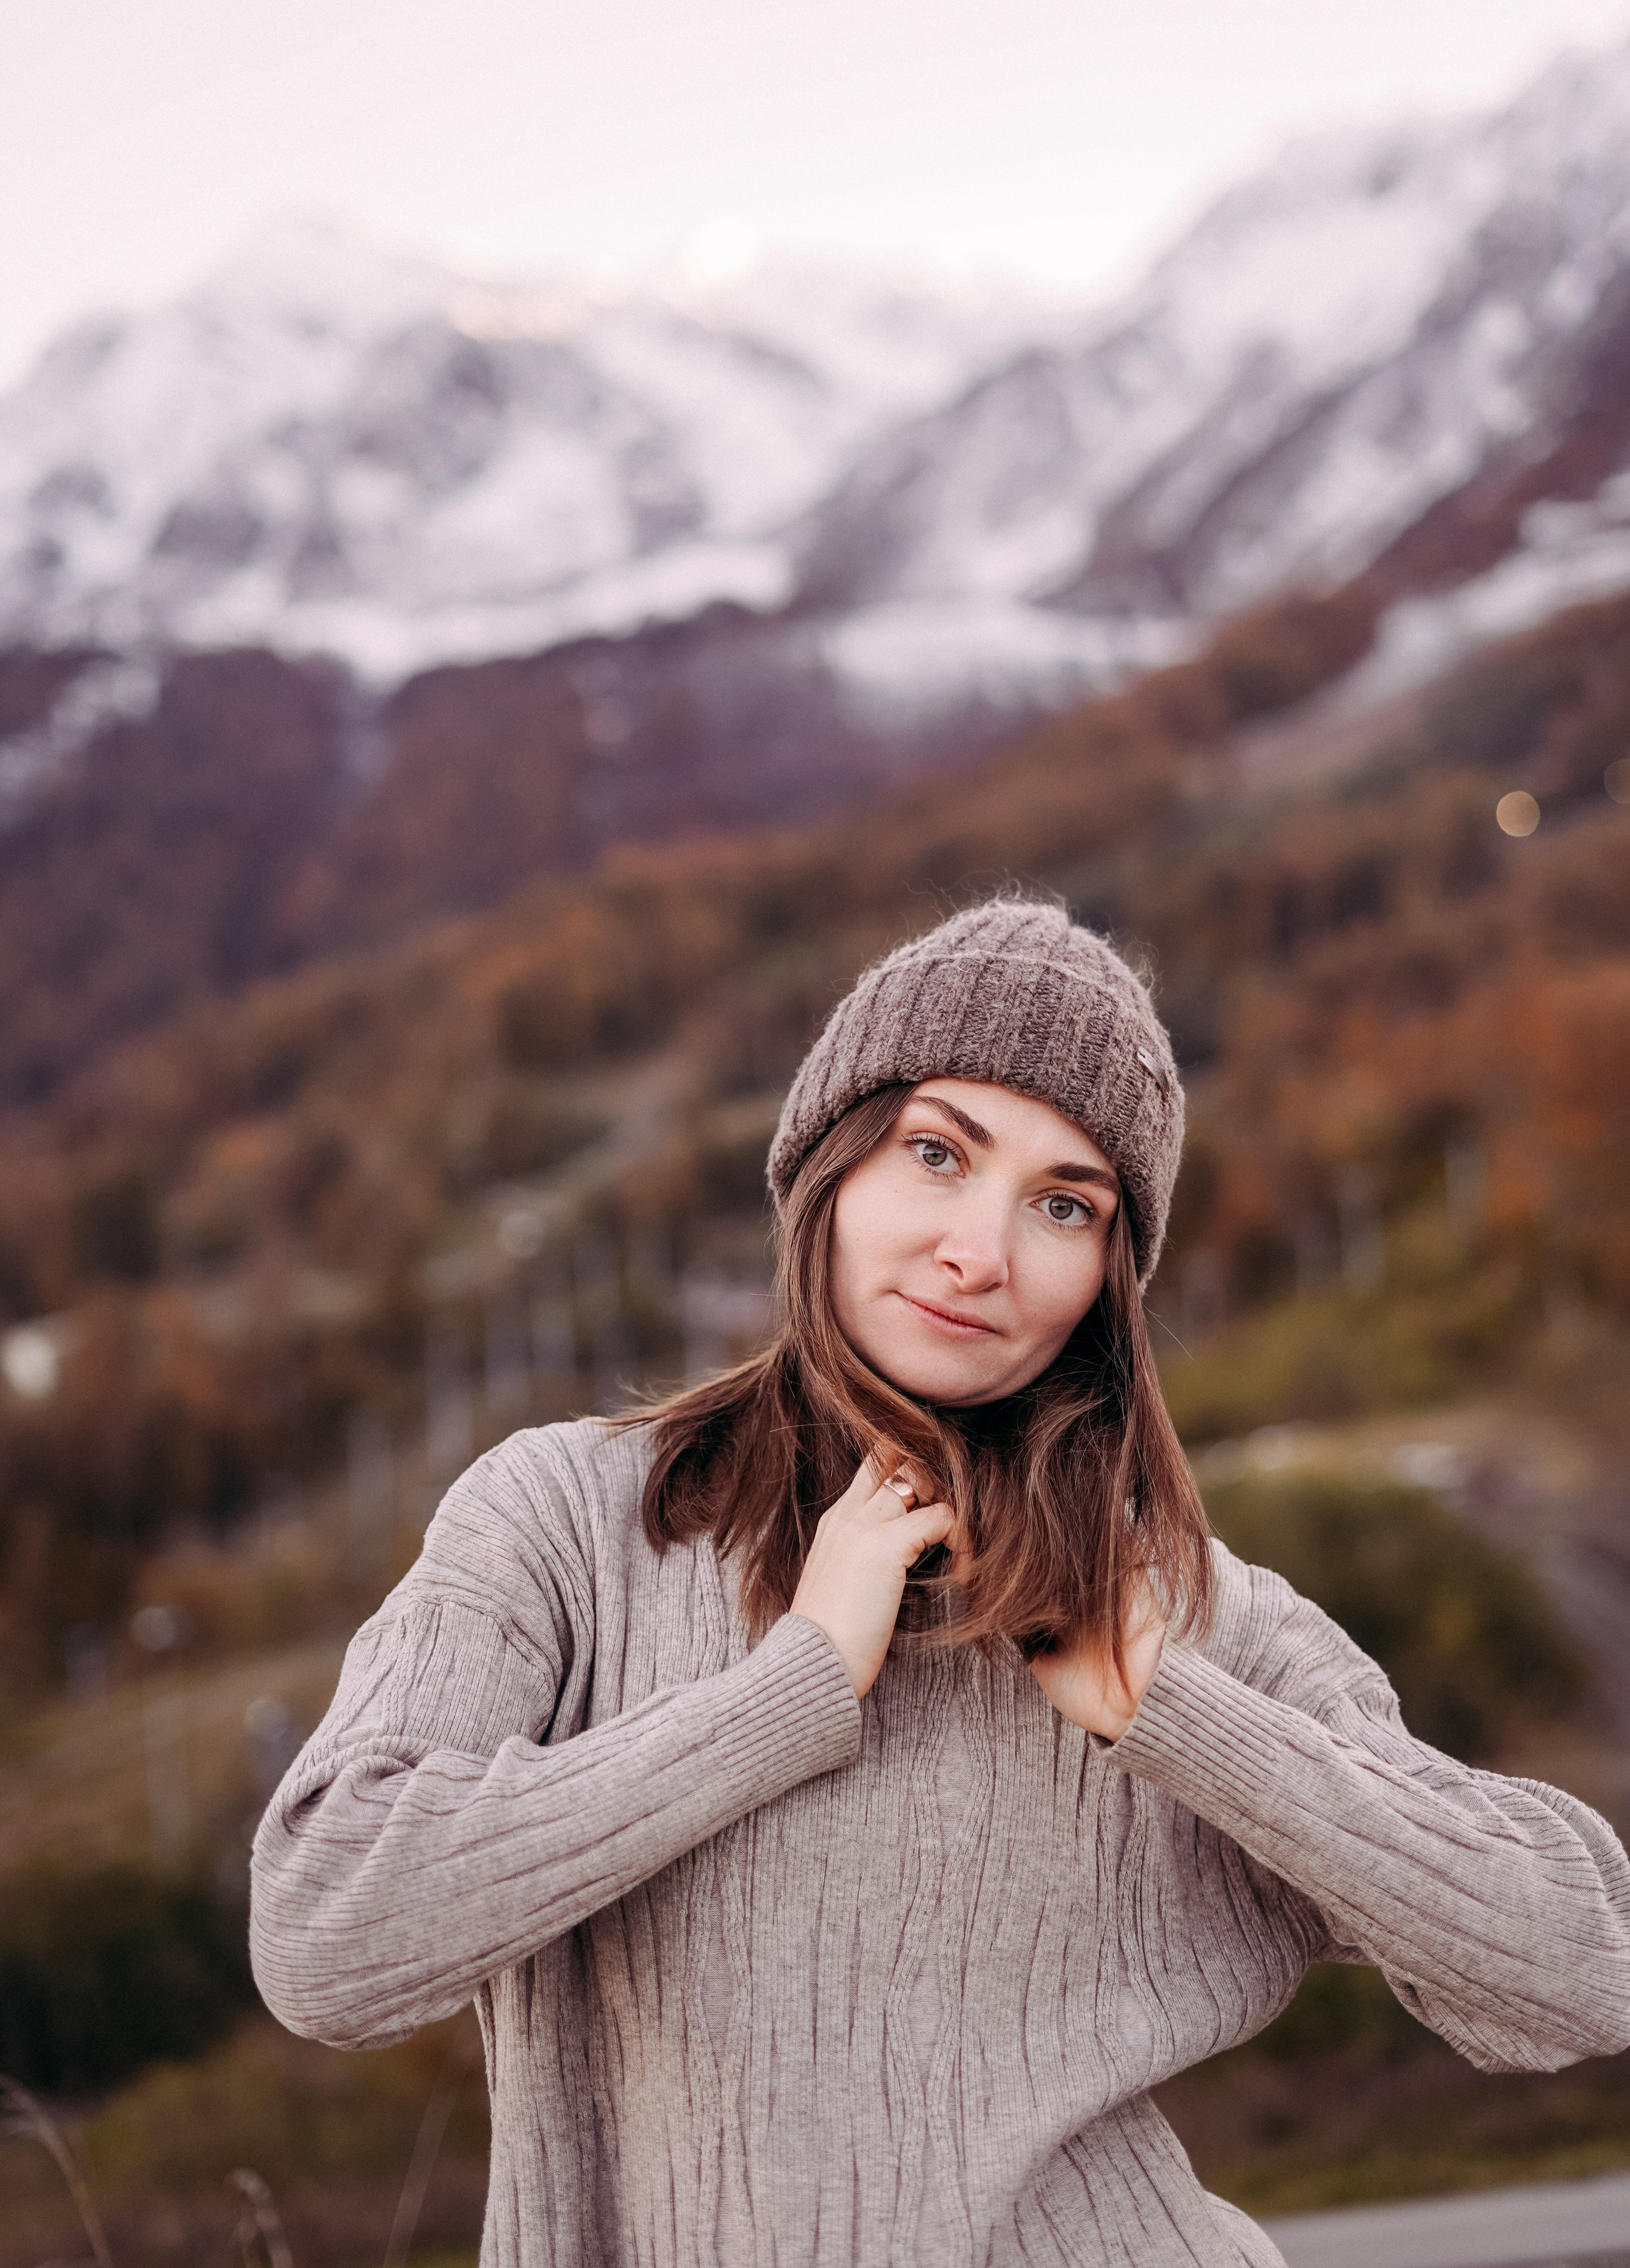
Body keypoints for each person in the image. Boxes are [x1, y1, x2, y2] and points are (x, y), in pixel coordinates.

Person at [250, 898, 1630, 2268]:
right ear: (827, 1167)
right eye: (935, 1153)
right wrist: (785, 1692)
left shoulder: (1171, 1613)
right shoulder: (566, 1521)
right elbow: (326, 1936)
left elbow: (1583, 1967)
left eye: (1062, 1205)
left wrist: (1179, 1716)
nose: (981, 1254)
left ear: (1107, 1276)